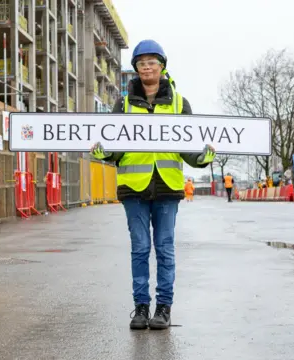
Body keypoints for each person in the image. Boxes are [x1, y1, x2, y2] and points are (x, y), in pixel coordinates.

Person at [90, 39, 216, 330]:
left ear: (162, 67)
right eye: (141, 63)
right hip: (133, 187)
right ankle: (141, 307)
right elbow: (114, 145)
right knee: (139, 248)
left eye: (152, 62)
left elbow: (189, 146)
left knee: (165, 248)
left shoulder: (178, 102)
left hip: (167, 187)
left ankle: (164, 308)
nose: (147, 67)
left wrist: (203, 158)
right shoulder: (122, 103)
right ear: (135, 69)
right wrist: (103, 152)